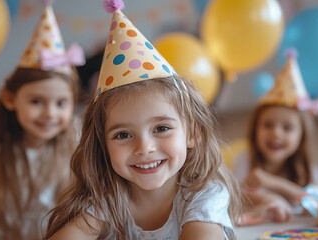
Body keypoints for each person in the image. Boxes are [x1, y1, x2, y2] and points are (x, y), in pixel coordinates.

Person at [43, 0, 241, 239]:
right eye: (123, 135)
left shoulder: (204, 194)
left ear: (193, 132)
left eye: (161, 128)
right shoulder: (107, 199)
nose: (144, 147)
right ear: (102, 145)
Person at [0, 1, 85, 239]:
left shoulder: (76, 152)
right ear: (10, 99)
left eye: (61, 103)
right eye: (36, 102)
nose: (50, 114)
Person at [233, 48, 318, 224]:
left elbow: (317, 205)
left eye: (288, 128)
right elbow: (236, 197)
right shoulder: (245, 159)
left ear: (302, 136)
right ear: (255, 130)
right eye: (267, 125)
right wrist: (273, 202)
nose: (276, 133)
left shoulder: (309, 169)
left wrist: (271, 182)